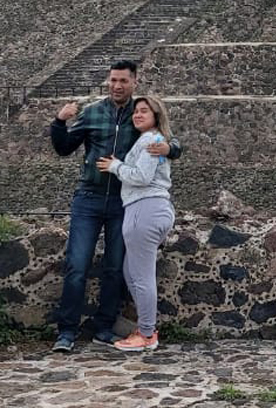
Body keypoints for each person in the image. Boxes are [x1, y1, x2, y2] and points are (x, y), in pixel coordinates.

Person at [49, 60, 180, 353]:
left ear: (134, 82)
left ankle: (104, 328)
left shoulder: (140, 115)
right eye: (113, 80)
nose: (117, 86)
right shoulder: (93, 112)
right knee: (77, 265)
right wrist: (59, 122)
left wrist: (171, 148)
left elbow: (169, 141)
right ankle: (67, 332)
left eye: (123, 81)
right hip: (89, 198)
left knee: (114, 269)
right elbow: (64, 147)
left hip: (123, 202)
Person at [98, 96, 175, 352]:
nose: (138, 114)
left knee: (141, 276)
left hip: (146, 207)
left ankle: (147, 333)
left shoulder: (151, 141)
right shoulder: (151, 140)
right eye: (136, 111)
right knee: (131, 272)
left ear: (156, 115)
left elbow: (142, 177)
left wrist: (115, 166)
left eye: (145, 111)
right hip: (143, 208)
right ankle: (145, 327)